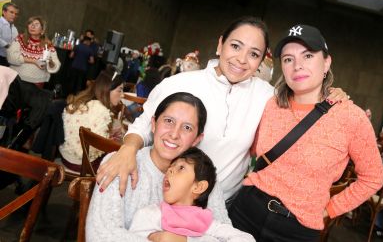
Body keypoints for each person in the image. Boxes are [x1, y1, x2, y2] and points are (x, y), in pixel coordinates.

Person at [96, 16, 348, 200]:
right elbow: (144, 124)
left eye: (253, 54)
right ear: (220, 45)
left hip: (222, 208)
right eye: (235, 46)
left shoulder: (267, 97)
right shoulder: (180, 83)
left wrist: (330, 94)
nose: (241, 59)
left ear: (261, 61)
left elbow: (301, 110)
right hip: (166, 198)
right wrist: (128, 149)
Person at [228, 24, 383, 241]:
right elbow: (252, 149)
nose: (297, 66)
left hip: (296, 229)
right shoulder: (271, 104)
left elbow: (373, 178)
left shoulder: (351, 117)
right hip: (245, 209)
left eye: (308, 55)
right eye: (288, 59)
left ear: (327, 62)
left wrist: (330, 209)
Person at [86, 92, 231, 241]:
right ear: (154, 124)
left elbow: (226, 236)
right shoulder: (120, 162)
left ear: (197, 139)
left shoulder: (202, 176)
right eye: (169, 121)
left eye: (187, 128)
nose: (174, 134)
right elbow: (100, 235)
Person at [129, 147, 255, 241]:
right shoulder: (150, 214)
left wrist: (185, 240)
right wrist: (155, 237)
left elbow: (246, 239)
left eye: (181, 168)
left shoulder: (207, 224)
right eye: (170, 167)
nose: (170, 170)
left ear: (198, 187)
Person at [59, 68, 126, 173]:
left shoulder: (84, 101)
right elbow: (96, 148)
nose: (122, 95)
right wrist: (112, 140)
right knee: (121, 160)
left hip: (66, 156)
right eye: (120, 90)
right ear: (107, 89)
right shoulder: (102, 111)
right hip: (83, 163)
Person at [7, 16, 60, 88]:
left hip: (37, 83)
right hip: (16, 79)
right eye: (30, 23)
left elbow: (55, 66)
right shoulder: (20, 38)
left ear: (42, 30)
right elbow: (11, 57)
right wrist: (34, 61)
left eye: (36, 24)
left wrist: (50, 61)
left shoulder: (48, 45)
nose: (32, 26)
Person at [0, 2, 19, 67]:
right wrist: (8, 46)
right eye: (11, 12)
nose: (14, 15)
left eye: (16, 14)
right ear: (4, 12)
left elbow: (16, 40)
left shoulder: (14, 28)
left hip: (8, 58)